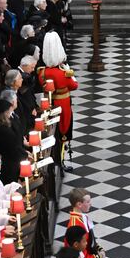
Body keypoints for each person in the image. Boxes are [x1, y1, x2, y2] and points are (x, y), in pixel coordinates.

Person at [39, 31, 79, 167]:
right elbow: (74, 85)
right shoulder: (63, 74)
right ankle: (61, 161)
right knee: (63, 130)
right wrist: (69, 72)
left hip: (50, 103)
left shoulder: (42, 72)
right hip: (63, 104)